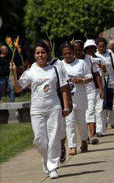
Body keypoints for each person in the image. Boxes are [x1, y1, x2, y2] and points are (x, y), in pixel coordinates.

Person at [10, 40, 71, 178]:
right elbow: (18, 88)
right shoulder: (30, 71)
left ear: (47, 54)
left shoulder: (55, 69)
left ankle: (53, 167)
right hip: (37, 110)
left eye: (43, 52)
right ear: (34, 55)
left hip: (54, 107)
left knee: (54, 137)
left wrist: (66, 106)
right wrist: (14, 73)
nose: (40, 55)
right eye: (37, 53)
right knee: (39, 140)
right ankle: (46, 159)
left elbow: (64, 88)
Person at [61, 42, 92, 155]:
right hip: (67, 99)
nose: (67, 56)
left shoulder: (81, 63)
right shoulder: (60, 65)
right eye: (65, 54)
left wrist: (82, 81)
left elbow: (90, 77)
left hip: (80, 97)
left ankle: (84, 140)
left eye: (69, 53)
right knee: (69, 122)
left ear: (73, 52)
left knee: (82, 122)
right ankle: (72, 146)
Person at [73, 40, 104, 144]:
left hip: (90, 89)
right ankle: (84, 137)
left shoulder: (90, 59)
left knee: (90, 111)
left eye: (79, 50)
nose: (77, 52)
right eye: (75, 50)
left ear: (83, 50)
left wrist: (101, 89)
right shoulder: (71, 61)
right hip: (77, 92)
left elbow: (96, 75)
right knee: (82, 115)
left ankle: (92, 135)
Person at [95, 37, 114, 128]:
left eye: (103, 46)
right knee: (102, 103)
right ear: (97, 47)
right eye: (100, 46)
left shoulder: (110, 54)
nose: (102, 48)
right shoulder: (94, 56)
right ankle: (104, 122)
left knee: (113, 103)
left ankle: (113, 122)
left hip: (111, 81)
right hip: (100, 83)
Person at [83, 39, 107, 137]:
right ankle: (91, 130)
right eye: (88, 49)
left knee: (99, 109)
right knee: (90, 110)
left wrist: (102, 67)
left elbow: (103, 72)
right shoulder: (83, 60)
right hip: (88, 88)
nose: (90, 50)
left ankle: (99, 130)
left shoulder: (100, 58)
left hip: (99, 85)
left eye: (92, 48)